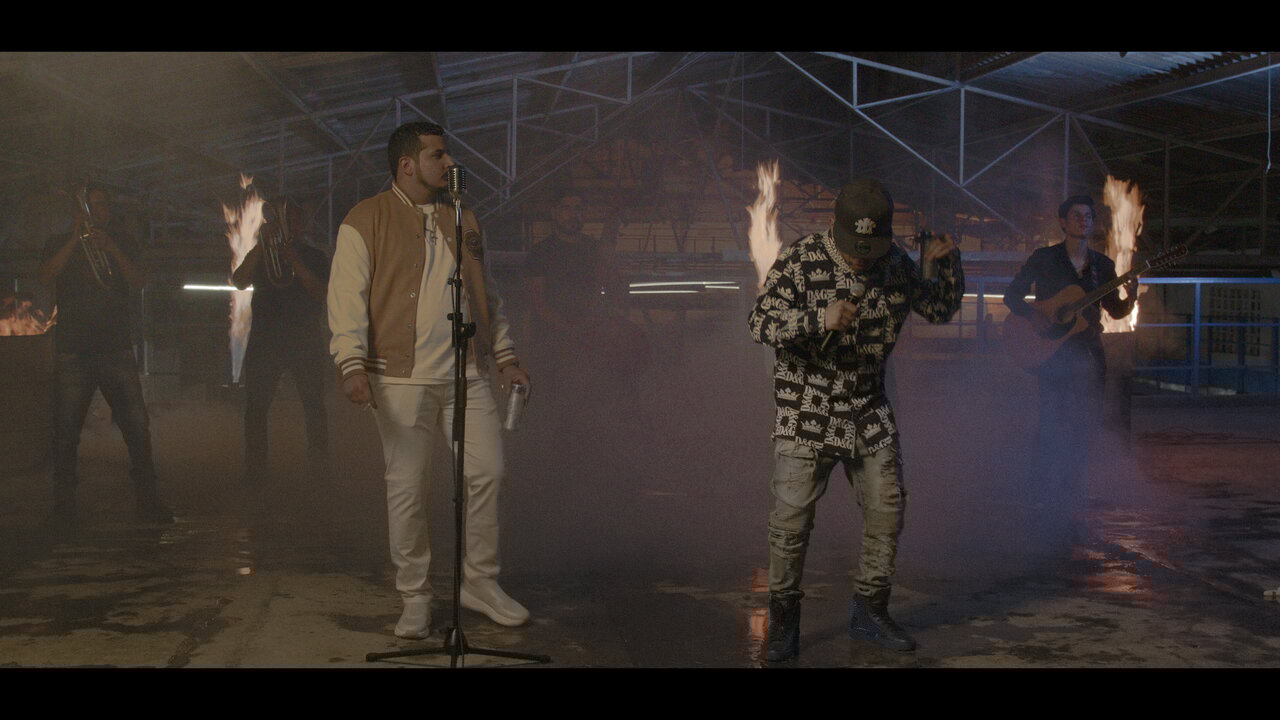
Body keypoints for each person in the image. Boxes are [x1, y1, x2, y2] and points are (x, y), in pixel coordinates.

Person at [328, 121, 532, 640]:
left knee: (488, 474)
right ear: (407, 165)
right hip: (399, 379)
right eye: (438, 155)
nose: (449, 163)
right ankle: (415, 596)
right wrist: (351, 362)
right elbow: (346, 297)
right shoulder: (365, 218)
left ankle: (479, 583)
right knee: (408, 488)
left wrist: (504, 355)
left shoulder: (462, 216)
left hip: (467, 374)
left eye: (447, 155)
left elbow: (487, 294)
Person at [748, 179, 963, 661]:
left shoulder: (895, 265)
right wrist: (816, 319)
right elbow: (759, 322)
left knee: (888, 509)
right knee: (790, 522)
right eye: (853, 248)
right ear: (835, 226)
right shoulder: (801, 259)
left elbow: (938, 309)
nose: (861, 259)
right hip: (806, 405)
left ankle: (870, 611)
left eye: (871, 248)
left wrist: (949, 264)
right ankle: (783, 621)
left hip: (867, 405)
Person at [38, 185, 174, 526]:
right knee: (66, 433)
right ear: (80, 210)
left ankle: (148, 501)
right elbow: (45, 277)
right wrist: (74, 240)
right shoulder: (58, 241)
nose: (102, 210)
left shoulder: (122, 240)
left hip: (115, 348)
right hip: (73, 350)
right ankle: (64, 507)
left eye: (103, 205)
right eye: (94, 205)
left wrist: (111, 247)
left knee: (137, 428)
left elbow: (138, 280)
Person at [1002, 195, 1137, 518]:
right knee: (1051, 419)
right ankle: (1041, 489)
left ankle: (1073, 489)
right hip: (1051, 350)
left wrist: (1130, 297)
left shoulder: (1102, 266)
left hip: (1088, 350)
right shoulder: (1045, 258)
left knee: (1086, 421)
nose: (1083, 220)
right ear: (1063, 222)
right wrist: (1033, 315)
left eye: (1088, 215)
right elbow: (1012, 296)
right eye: (1076, 215)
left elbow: (1115, 311)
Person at [231, 198, 332, 485]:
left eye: (290, 220)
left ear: (299, 225)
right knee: (256, 408)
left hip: (304, 340)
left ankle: (319, 470)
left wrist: (294, 260)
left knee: (313, 405)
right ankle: (256, 472)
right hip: (266, 341)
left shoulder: (314, 256)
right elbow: (239, 281)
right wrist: (260, 247)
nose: (285, 225)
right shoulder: (262, 254)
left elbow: (320, 292)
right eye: (277, 219)